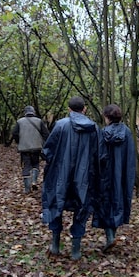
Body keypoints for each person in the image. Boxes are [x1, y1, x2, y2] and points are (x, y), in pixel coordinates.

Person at [41, 96, 100, 260]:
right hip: (85, 176)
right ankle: (76, 249)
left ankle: (55, 244)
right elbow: (99, 154)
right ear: (84, 109)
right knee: (82, 207)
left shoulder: (60, 125)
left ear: (69, 109)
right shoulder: (94, 128)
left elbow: (48, 150)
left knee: (55, 204)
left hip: (60, 174)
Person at [93, 104, 136, 253]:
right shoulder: (128, 132)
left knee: (105, 203)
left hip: (106, 175)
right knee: (119, 202)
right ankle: (112, 236)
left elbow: (100, 156)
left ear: (107, 117)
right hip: (122, 175)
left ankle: (110, 237)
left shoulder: (103, 133)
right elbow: (130, 155)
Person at [12, 106, 49, 194]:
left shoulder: (19, 121)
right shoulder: (39, 121)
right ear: (33, 112)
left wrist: (19, 141)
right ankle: (34, 181)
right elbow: (46, 134)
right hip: (36, 147)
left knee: (26, 166)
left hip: (24, 149)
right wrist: (44, 145)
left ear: (25, 112)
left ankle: (27, 189)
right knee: (35, 164)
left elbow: (14, 133)